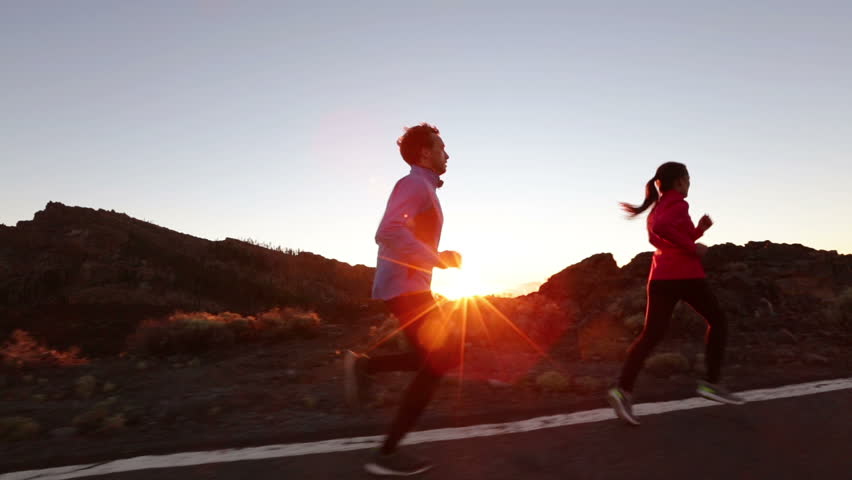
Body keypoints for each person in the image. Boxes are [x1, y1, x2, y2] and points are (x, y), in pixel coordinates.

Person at [344, 123, 463, 476]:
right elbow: (388, 231)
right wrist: (437, 258)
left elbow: (404, 234)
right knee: (439, 359)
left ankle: (366, 366)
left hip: (409, 285)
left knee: (435, 356)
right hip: (405, 286)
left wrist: (438, 256)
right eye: (441, 146)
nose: (447, 153)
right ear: (425, 153)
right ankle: (387, 453)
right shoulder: (413, 184)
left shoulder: (422, 185)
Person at [607, 162, 745, 426]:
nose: (690, 184)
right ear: (680, 181)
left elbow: (668, 233)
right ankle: (711, 383)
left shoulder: (658, 207)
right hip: (685, 276)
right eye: (689, 179)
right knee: (718, 321)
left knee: (651, 335)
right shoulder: (677, 203)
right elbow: (664, 229)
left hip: (660, 278)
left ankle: (622, 391)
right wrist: (693, 248)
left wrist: (699, 231)